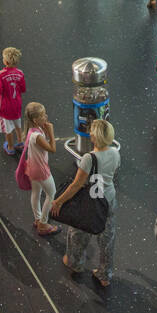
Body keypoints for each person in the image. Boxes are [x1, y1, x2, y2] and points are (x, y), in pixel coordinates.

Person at [54, 118, 120, 286]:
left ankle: (75, 263)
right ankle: (105, 275)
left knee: (78, 231)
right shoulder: (115, 152)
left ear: (94, 137)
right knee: (107, 237)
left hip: (91, 200)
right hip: (109, 198)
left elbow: (76, 185)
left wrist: (59, 201)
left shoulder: (88, 158)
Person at [23, 102, 60, 236]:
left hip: (32, 167)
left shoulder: (32, 131)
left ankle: (38, 218)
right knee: (51, 193)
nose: (46, 117)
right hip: (41, 169)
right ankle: (43, 224)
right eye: (43, 115)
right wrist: (51, 132)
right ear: (35, 120)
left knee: (36, 193)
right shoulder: (37, 136)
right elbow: (53, 149)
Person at [0, 47, 27, 155]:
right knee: (18, 124)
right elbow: (23, 89)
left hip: (5, 107)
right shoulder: (20, 73)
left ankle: (10, 147)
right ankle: (20, 142)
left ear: (5, 61)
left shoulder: (1, 75)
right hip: (17, 104)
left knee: (8, 129)